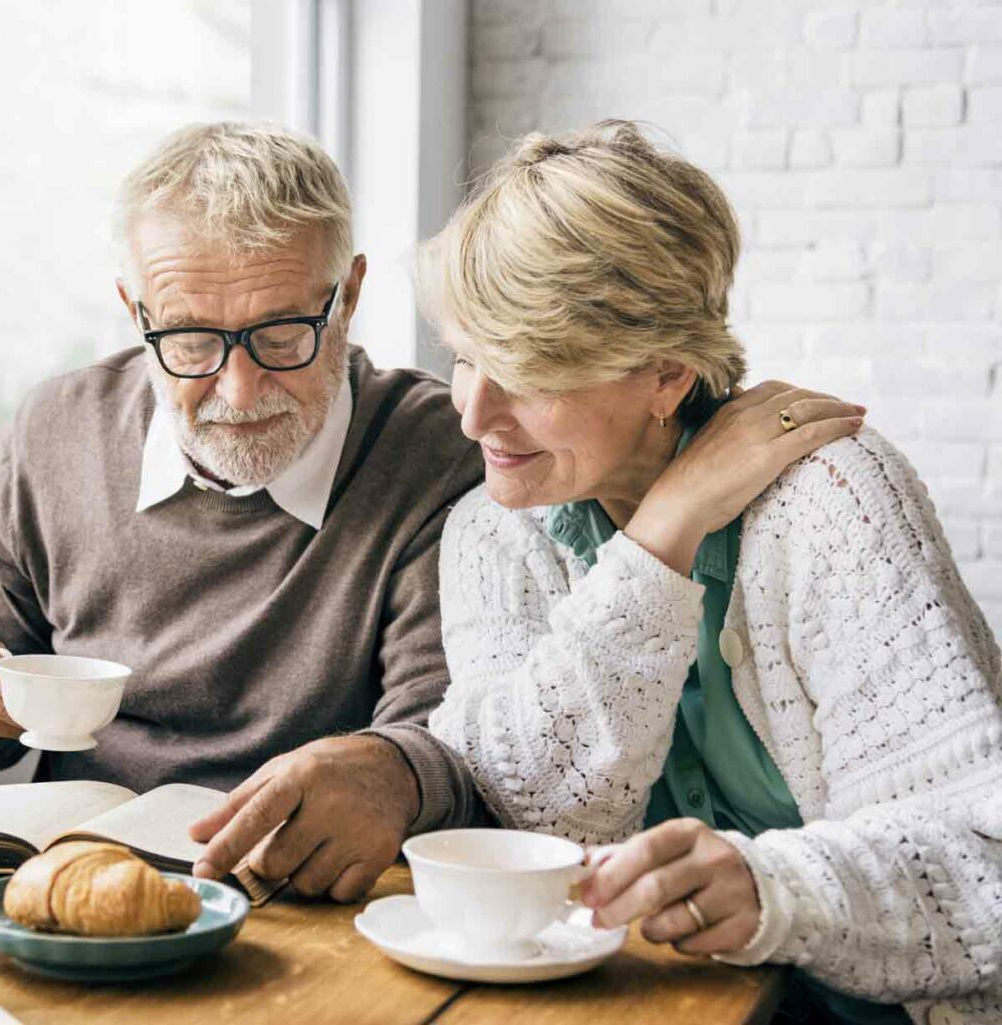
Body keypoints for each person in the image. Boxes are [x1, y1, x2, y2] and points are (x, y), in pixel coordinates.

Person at [421, 121, 1002, 1024]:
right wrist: (664, 532)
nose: (474, 414)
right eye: (464, 357)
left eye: (528, 369)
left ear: (666, 373)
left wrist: (771, 889)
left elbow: (983, 864)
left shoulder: (835, 497)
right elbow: (532, 819)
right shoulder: (492, 533)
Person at [0, 121, 485, 902]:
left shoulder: (437, 453)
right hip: (75, 878)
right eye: (188, 340)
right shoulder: (52, 432)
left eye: (284, 334)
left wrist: (399, 772)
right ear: (135, 309)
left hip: (318, 891)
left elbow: (452, 738)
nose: (240, 391)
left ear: (348, 297)